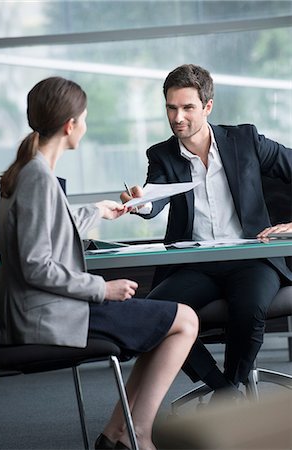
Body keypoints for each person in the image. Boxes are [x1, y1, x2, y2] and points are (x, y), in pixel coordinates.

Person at [0, 76, 199, 450]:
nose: (85, 127)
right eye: (84, 119)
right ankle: (136, 434)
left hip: (37, 312)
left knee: (161, 321)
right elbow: (36, 265)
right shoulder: (39, 179)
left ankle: (120, 433)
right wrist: (102, 289)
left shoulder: (28, 170)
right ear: (71, 125)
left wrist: (95, 211)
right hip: (49, 319)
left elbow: (45, 221)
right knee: (185, 319)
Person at [120, 64, 292, 400]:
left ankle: (231, 387)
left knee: (250, 306)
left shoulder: (245, 139)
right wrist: (139, 203)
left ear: (208, 107)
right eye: (171, 108)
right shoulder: (162, 155)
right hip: (196, 263)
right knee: (153, 314)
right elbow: (155, 196)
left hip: (251, 258)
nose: (177, 117)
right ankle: (225, 389)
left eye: (187, 108)